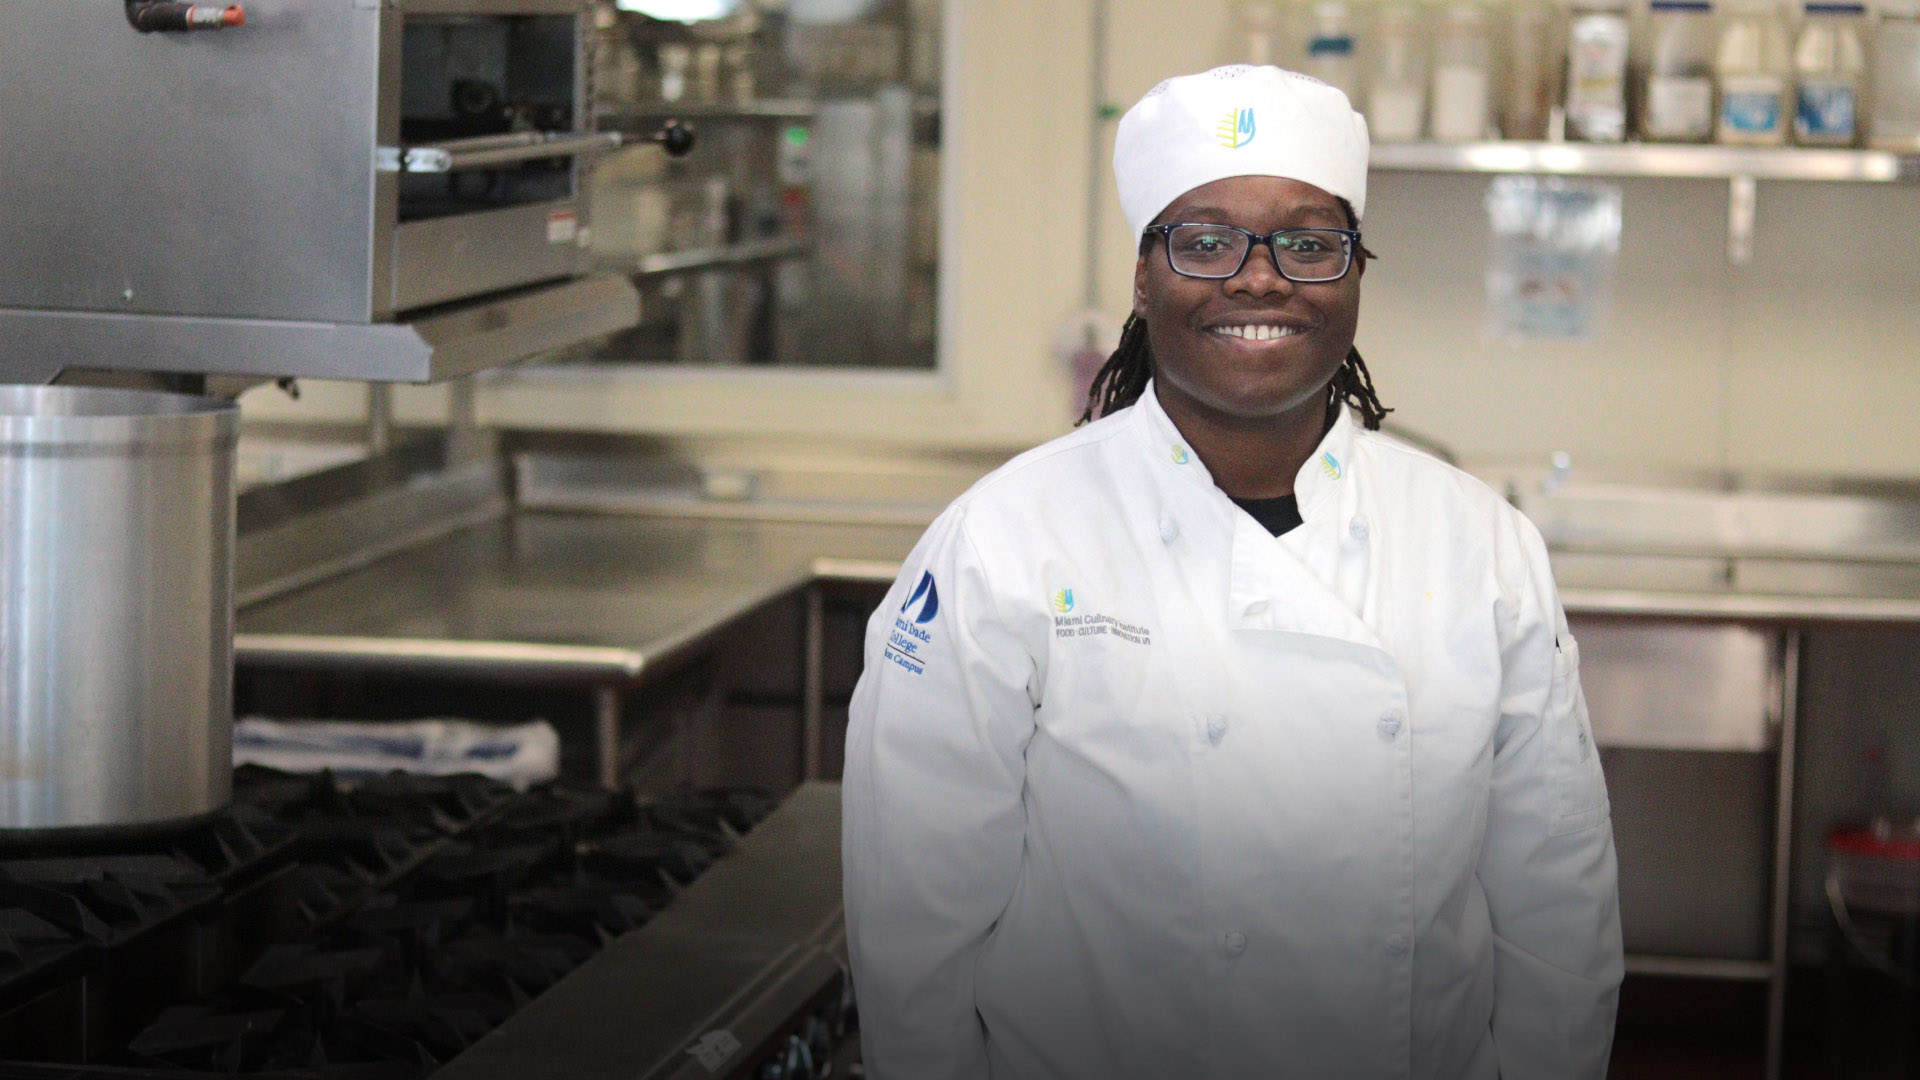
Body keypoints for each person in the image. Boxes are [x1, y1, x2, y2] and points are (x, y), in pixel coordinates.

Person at [842, 65, 1622, 1080]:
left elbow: (1557, 912)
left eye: (1309, 242)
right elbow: (915, 932)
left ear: (1354, 274)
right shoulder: (1005, 542)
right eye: (1205, 241)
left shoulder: (1478, 545)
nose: (1260, 278)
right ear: (1144, 274)